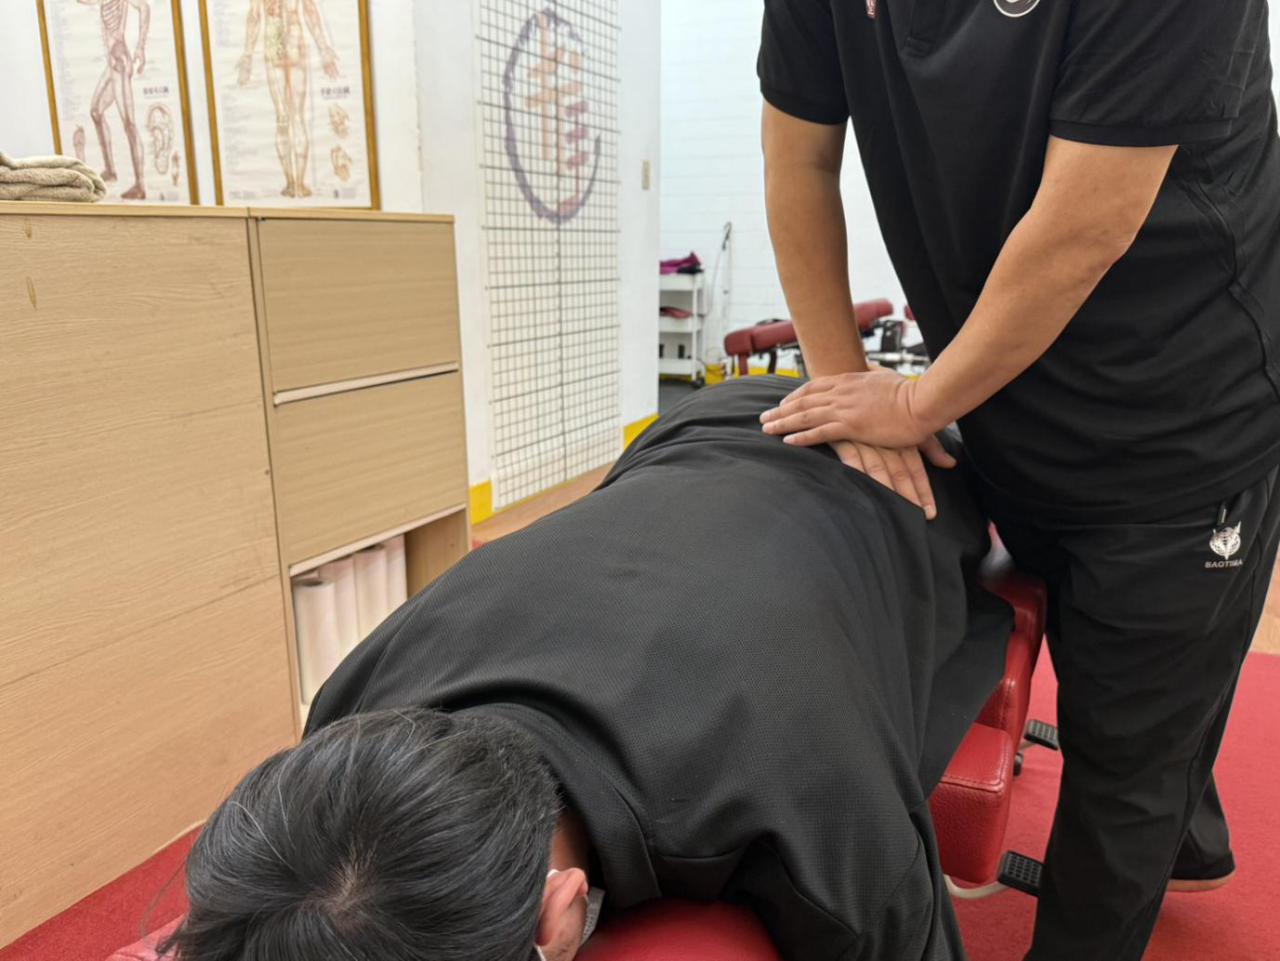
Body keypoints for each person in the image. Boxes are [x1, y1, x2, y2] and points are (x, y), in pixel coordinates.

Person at [756, 3, 1280, 959]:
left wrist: (913, 405)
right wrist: (843, 385)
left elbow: (1086, 224)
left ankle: (1166, 823)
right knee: (1118, 680)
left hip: (1184, 417)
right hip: (1006, 394)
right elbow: (799, 157)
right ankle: (1191, 837)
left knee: (1124, 770)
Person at [163, 378, 1012, 961]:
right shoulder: (350, 702)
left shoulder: (820, 809)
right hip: (691, 437)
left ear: (559, 914)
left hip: (895, 480)